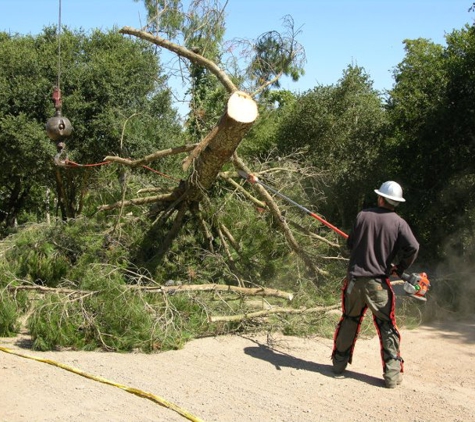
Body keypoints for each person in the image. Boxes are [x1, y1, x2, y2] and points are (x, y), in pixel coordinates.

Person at [331, 181, 419, 389]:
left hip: (354, 282)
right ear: (395, 203)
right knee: (386, 326)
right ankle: (392, 375)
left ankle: (338, 365)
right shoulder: (399, 223)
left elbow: (350, 245)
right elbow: (413, 247)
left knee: (349, 320)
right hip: (378, 284)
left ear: (380, 198)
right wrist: (400, 268)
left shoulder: (362, 216)